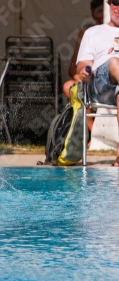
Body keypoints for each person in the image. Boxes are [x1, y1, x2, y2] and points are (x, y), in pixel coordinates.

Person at [77, 0, 119, 166]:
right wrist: (84, 71)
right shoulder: (93, 32)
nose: (118, 7)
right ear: (109, 4)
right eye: (115, 2)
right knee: (115, 62)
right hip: (100, 88)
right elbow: (83, 64)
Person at [63, 0, 104, 132]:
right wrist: (81, 76)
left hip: (110, 81)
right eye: (99, 12)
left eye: (105, 11)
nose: (103, 15)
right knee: (71, 87)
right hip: (90, 82)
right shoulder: (87, 33)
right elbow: (72, 69)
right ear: (93, 14)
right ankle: (95, 132)